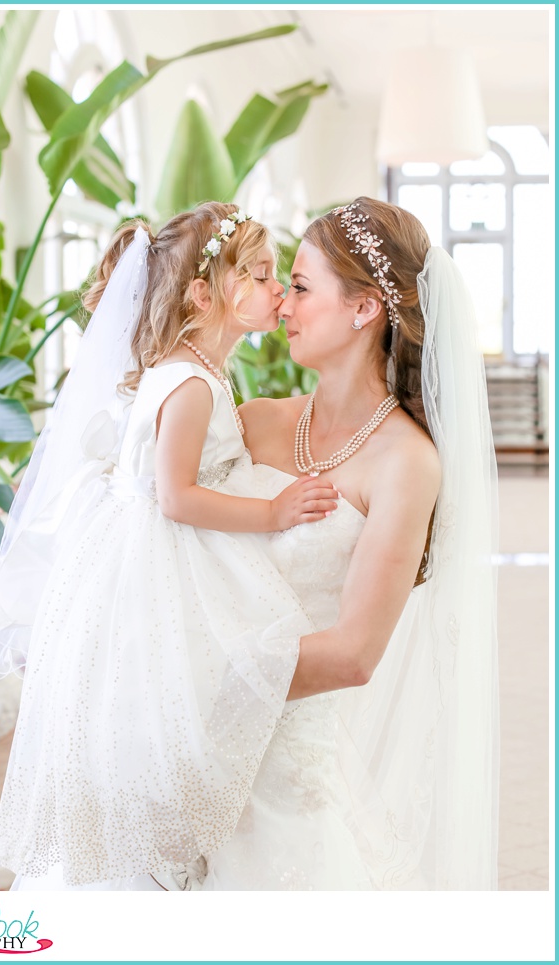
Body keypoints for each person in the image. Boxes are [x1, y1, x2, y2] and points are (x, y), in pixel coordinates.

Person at [0, 204, 340, 889]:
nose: (277, 291)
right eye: (259, 275)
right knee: (175, 703)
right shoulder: (192, 382)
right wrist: (274, 509)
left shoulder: (192, 366)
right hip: (158, 556)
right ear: (203, 294)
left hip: (144, 549)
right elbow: (175, 496)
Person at [203, 198, 498, 889]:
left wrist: (200, 682)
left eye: (301, 287)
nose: (281, 306)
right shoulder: (252, 421)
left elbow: (356, 653)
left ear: (366, 308)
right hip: (187, 751)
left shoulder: (406, 463)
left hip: (281, 769)